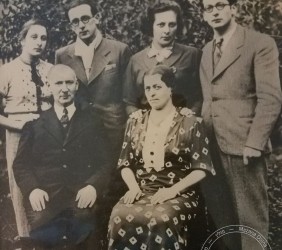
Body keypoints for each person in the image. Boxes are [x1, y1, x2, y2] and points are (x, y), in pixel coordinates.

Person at [199, 0, 282, 249]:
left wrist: (255, 143)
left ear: (233, 9)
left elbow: (271, 99)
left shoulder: (259, 44)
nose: (214, 11)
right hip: (210, 146)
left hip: (243, 145)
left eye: (220, 5)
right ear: (203, 15)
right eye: (208, 8)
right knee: (223, 219)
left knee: (251, 220)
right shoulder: (205, 50)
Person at [108, 65, 215, 250]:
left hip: (180, 192)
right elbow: (125, 163)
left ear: (171, 88)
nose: (152, 93)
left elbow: (202, 168)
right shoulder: (135, 121)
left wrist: (173, 190)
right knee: (119, 214)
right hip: (143, 189)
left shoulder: (190, 121)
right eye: (148, 88)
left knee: (161, 218)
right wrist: (133, 187)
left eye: (157, 87)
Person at [13, 64, 111, 249]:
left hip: (80, 196)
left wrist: (93, 186)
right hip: (47, 198)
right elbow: (21, 165)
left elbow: (105, 162)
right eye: (58, 83)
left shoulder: (93, 121)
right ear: (48, 87)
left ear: (76, 85)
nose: (64, 89)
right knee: (44, 233)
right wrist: (33, 189)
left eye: (68, 83)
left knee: (85, 232)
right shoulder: (34, 125)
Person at [55, 0, 131, 159]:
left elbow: (128, 96)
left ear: (97, 18)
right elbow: (59, 97)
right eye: (75, 22)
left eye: (85, 18)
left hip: (113, 130)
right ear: (71, 27)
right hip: (78, 131)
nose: (81, 25)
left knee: (114, 181)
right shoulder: (62, 55)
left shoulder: (119, 50)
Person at [0, 18, 53, 238]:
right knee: (21, 188)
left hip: (48, 136)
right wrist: (16, 123)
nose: (39, 42)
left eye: (43, 38)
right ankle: (25, 239)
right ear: (22, 40)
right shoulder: (7, 71)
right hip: (18, 135)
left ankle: (49, 237)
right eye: (33, 37)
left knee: (47, 183)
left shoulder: (51, 70)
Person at [123, 0, 202, 116]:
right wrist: (138, 117)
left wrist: (190, 115)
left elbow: (200, 97)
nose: (167, 31)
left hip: (182, 125)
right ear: (151, 26)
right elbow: (129, 102)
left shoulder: (192, 55)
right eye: (161, 25)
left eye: (172, 24)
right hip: (148, 128)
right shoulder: (136, 60)